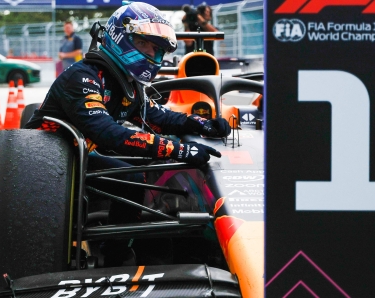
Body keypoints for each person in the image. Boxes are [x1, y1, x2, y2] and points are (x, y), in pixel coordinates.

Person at [25, 2, 231, 267]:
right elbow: (108, 133)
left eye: (157, 50)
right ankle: (115, 253)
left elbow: (159, 118)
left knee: (141, 170)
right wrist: (179, 150)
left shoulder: (127, 84)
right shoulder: (83, 76)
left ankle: (126, 247)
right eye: (146, 45)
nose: (151, 54)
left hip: (81, 154)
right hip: (45, 163)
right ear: (122, 37)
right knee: (132, 174)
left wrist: (202, 124)